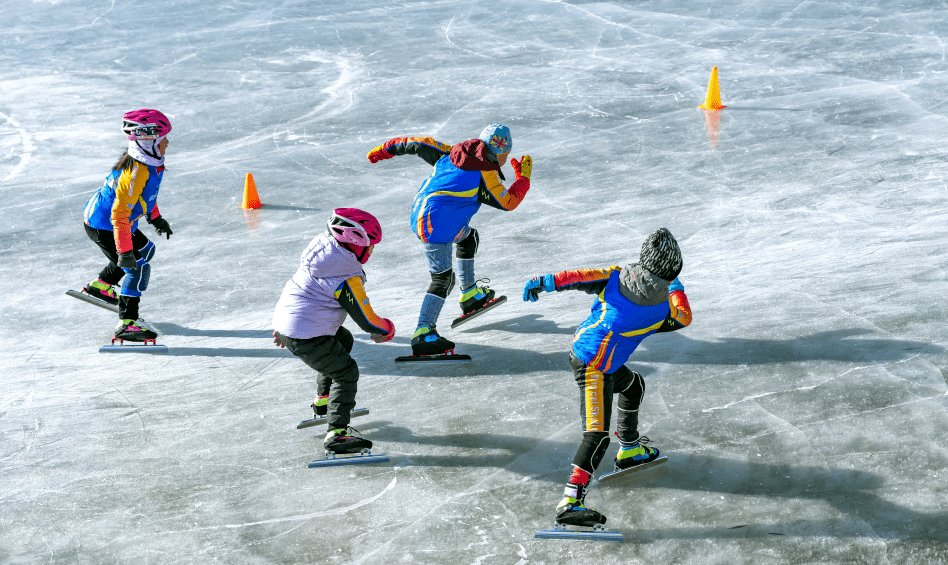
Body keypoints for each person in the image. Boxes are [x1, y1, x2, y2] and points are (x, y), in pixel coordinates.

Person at [522, 228, 693, 528]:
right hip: (592, 367)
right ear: (673, 270)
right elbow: (683, 318)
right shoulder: (666, 305)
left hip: (600, 359)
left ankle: (629, 450)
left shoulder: (615, 276)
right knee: (596, 435)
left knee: (634, 386)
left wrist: (544, 282)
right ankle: (570, 502)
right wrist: (675, 284)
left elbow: (579, 277)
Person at [367, 124, 533, 356]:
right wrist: (523, 178)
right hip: (436, 224)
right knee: (442, 279)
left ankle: (470, 295)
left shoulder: (454, 152)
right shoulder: (485, 175)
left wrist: (385, 149)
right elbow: (508, 202)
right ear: (499, 152)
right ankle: (423, 332)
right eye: (505, 154)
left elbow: (420, 143)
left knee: (468, 238)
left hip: (427, 214)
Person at [272, 208, 395, 454]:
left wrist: (283, 328)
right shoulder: (344, 276)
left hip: (291, 324)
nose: (371, 251)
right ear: (355, 243)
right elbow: (368, 320)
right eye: (370, 245)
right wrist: (386, 328)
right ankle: (337, 434)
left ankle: (324, 401)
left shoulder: (325, 255)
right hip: (305, 333)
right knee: (346, 372)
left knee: (343, 339)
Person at [81, 109, 175, 341]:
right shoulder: (135, 172)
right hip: (105, 225)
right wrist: (124, 252)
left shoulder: (147, 162)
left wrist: (155, 218)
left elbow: (146, 196)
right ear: (148, 141)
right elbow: (120, 214)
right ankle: (127, 322)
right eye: (163, 139)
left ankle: (101, 285)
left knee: (146, 250)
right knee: (136, 266)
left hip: (118, 222)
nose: (167, 143)